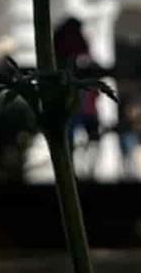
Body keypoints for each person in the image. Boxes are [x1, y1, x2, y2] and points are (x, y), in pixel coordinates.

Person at [54, 17, 102, 177]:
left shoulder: (63, 39)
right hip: (77, 101)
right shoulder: (71, 41)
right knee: (82, 136)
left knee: (76, 137)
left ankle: (76, 171)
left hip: (79, 101)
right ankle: (79, 171)